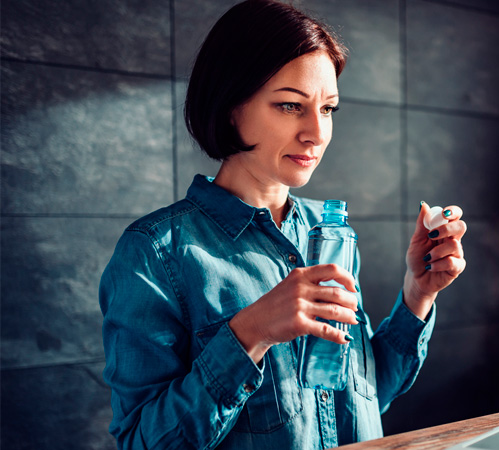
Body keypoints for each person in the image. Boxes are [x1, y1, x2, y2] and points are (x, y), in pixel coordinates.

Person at [99, 1, 467, 449]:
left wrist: (418, 295)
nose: (316, 132)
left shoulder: (327, 231)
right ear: (231, 105)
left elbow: (365, 399)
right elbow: (141, 442)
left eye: (328, 108)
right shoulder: (155, 253)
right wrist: (250, 334)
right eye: (291, 106)